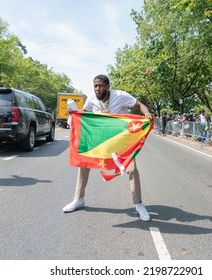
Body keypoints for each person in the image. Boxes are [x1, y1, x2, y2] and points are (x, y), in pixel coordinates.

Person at [63, 74, 154, 222]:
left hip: (121, 141)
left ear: (108, 86)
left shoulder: (121, 95)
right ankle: (78, 199)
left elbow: (140, 105)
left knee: (132, 169)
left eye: (100, 86)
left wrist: (147, 113)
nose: (97, 89)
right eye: (95, 86)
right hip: (100, 141)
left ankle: (138, 204)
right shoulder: (91, 99)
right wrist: (74, 112)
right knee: (83, 164)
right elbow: (85, 113)